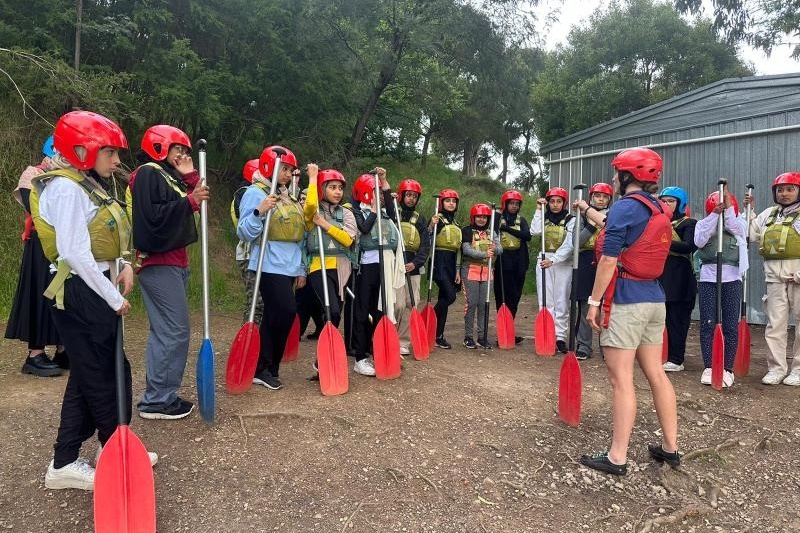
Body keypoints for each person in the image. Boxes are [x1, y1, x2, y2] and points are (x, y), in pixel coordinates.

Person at [31, 110, 156, 490]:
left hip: (96, 284)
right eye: (110, 152)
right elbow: (73, 251)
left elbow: (102, 241)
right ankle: (97, 451)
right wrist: (111, 297)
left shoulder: (86, 183)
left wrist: (125, 268)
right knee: (102, 374)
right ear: (82, 148)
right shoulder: (66, 188)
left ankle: (76, 457)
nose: (117, 161)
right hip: (80, 291)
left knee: (95, 372)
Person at [580, 147, 680, 476]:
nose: (612, 178)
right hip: (654, 298)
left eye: (616, 173)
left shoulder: (625, 207)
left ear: (628, 176)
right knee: (655, 373)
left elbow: (609, 259)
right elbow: (611, 224)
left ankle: (617, 457)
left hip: (625, 299)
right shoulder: (656, 207)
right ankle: (670, 448)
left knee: (621, 379)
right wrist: (585, 209)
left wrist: (594, 302)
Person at [128, 125, 208, 419]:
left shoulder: (169, 177)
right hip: (158, 263)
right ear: (159, 147)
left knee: (167, 330)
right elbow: (153, 219)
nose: (183, 155)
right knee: (174, 331)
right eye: (178, 149)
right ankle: (157, 399)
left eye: (186, 151)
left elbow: (201, 200)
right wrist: (190, 199)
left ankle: (160, 395)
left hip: (174, 262)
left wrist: (189, 178)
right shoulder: (149, 173)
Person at [237, 146, 314, 389]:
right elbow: (244, 232)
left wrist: (302, 268)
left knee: (280, 314)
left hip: (289, 266)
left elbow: (300, 235)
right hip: (267, 263)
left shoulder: (288, 196)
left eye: (291, 170)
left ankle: (269, 367)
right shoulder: (254, 192)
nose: (288, 174)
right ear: (270, 166)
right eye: (284, 169)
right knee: (284, 310)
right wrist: (260, 211)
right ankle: (263, 365)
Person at [5, 135, 67, 377]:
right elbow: (39, 210)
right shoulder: (32, 173)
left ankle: (63, 348)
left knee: (64, 295)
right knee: (41, 293)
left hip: (64, 244)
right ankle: (35, 354)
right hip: (40, 245)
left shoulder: (69, 177)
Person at [744, 172, 800, 385]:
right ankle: (776, 368)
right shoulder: (769, 214)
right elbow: (750, 234)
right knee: (775, 325)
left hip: (797, 278)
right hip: (774, 279)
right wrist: (749, 212)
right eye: (780, 190)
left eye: (789, 189)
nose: (784, 194)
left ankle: (798, 370)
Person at [350, 169, 402, 375]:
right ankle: (360, 357)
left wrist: (384, 181)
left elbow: (391, 207)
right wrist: (372, 209)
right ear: (365, 193)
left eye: (381, 193)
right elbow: (363, 229)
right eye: (376, 192)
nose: (380, 196)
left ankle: (376, 350)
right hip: (366, 267)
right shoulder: (355, 210)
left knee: (380, 311)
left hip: (384, 266)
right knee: (363, 312)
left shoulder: (384, 212)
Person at [694, 188, 746, 387]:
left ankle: (728, 368)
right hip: (708, 279)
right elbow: (699, 241)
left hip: (732, 279)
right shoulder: (703, 224)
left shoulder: (739, 222)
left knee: (730, 325)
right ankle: (709, 366)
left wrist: (729, 211)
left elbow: (737, 229)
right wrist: (715, 215)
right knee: (708, 323)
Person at [306, 170, 357, 360]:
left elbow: (348, 239)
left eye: (340, 188)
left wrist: (324, 224)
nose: (337, 192)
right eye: (332, 187)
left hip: (342, 268)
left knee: (335, 316)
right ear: (322, 189)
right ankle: (325, 358)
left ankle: (324, 360)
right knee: (331, 311)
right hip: (319, 266)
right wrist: (312, 178)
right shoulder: (313, 210)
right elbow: (310, 205)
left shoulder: (347, 213)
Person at [657, 187, 698, 372]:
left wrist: (661, 242)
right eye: (663, 201)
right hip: (659, 276)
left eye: (671, 201)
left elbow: (688, 246)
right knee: (658, 320)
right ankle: (660, 354)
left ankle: (676, 358)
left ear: (680, 204)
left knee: (676, 320)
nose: (666, 204)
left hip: (680, 279)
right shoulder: (656, 222)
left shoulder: (688, 223)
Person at [530, 187, 575, 353]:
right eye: (552, 201)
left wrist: (554, 260)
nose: (555, 205)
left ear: (564, 203)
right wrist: (538, 210)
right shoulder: (544, 217)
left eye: (559, 201)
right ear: (547, 202)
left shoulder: (571, 219)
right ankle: (547, 333)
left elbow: (570, 244)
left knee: (561, 300)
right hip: (543, 261)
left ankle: (560, 337)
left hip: (562, 263)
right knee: (545, 301)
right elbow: (534, 231)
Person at [573, 183, 612, 360]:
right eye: (597, 196)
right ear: (591, 198)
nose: (601, 199)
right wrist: (591, 226)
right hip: (586, 261)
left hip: (607, 260)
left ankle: (608, 346)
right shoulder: (580, 216)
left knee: (607, 306)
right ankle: (584, 345)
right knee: (585, 305)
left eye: (604, 197)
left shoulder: (614, 216)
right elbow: (576, 242)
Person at [394, 179, 430, 355]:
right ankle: (391, 336)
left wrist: (415, 263)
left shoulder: (420, 220)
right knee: (398, 304)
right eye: (408, 195)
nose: (411, 199)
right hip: (395, 266)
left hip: (413, 267)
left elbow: (425, 246)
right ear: (401, 196)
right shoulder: (393, 214)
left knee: (411, 303)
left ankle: (403, 342)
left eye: (414, 196)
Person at [461, 203, 502, 349]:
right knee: (471, 304)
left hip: (487, 272)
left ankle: (482, 336)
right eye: (479, 216)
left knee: (483, 305)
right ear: (473, 217)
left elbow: (501, 249)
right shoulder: (466, 230)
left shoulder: (492, 232)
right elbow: (466, 250)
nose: (481, 219)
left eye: (484, 217)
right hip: (470, 271)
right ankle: (468, 336)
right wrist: (484, 254)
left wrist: (495, 248)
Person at [494, 190, 530, 346]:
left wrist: (507, 229)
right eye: (511, 203)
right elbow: (491, 226)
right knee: (501, 298)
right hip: (502, 262)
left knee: (514, 299)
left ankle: (509, 330)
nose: (514, 206)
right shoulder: (498, 219)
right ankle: (502, 331)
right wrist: (496, 213)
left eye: (516, 204)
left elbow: (527, 236)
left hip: (518, 263)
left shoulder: (521, 220)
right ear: (505, 204)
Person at [231, 158, 264, 327]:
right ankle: (248, 341)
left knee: (264, 302)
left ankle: (262, 341)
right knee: (256, 302)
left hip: (262, 255)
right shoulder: (246, 193)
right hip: (248, 254)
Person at [431, 188, 462, 349]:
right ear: (442, 203)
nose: (451, 203)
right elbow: (427, 240)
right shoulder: (438, 220)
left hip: (451, 262)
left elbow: (458, 251)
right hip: (439, 259)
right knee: (450, 297)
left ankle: (438, 335)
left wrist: (457, 270)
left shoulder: (456, 224)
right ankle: (428, 321)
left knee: (444, 297)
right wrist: (431, 226)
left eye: (453, 201)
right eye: (448, 200)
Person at [296, 187, 325, 341]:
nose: (302, 201)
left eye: (305, 199)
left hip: (311, 265)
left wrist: (303, 270)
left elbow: (306, 247)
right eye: (300, 198)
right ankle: (319, 327)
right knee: (310, 299)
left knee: (305, 298)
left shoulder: (314, 220)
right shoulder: (296, 216)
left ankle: (297, 331)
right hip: (299, 264)